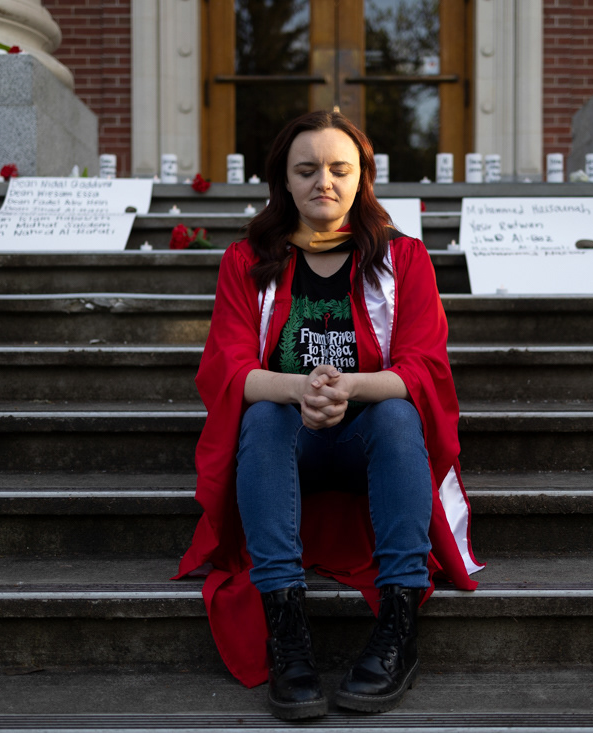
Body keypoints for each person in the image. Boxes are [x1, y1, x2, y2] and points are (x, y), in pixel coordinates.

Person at [175, 110, 482, 720]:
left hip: (368, 441)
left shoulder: (404, 261)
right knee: (260, 418)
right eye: (307, 169)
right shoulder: (247, 262)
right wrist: (300, 390)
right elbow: (228, 369)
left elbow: (425, 366)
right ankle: (287, 636)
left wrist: (352, 388)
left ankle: (398, 628)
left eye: (341, 168)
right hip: (290, 441)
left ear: (362, 177)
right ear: (283, 182)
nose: (324, 181)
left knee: (396, 413)